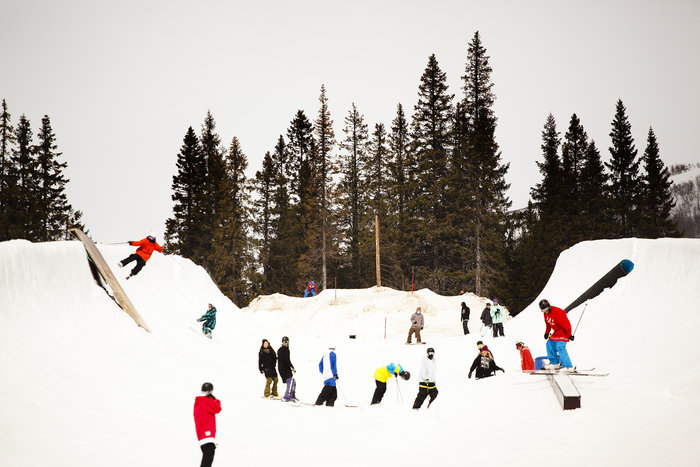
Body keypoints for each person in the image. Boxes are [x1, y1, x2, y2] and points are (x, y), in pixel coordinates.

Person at [539, 299, 575, 371]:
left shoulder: (558, 312)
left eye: (546, 309)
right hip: (556, 332)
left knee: (560, 346)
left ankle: (568, 366)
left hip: (563, 331)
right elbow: (548, 324)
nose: (545, 311)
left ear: (549, 306)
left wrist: (569, 335)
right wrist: (547, 332)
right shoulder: (545, 313)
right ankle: (554, 363)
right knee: (549, 344)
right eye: (543, 310)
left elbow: (566, 324)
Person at [193, 382, 221, 467]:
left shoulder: (198, 401)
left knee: (207, 455)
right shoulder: (206, 400)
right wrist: (216, 400)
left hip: (201, 434)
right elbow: (217, 409)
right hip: (207, 433)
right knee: (208, 455)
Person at [277, 336, 297, 402]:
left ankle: (292, 396)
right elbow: (287, 360)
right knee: (290, 381)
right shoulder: (286, 349)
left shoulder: (280, 349)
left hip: (281, 368)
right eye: (284, 342)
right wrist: (292, 367)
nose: (285, 343)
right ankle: (287, 396)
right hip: (284, 369)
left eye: (286, 342)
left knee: (293, 381)